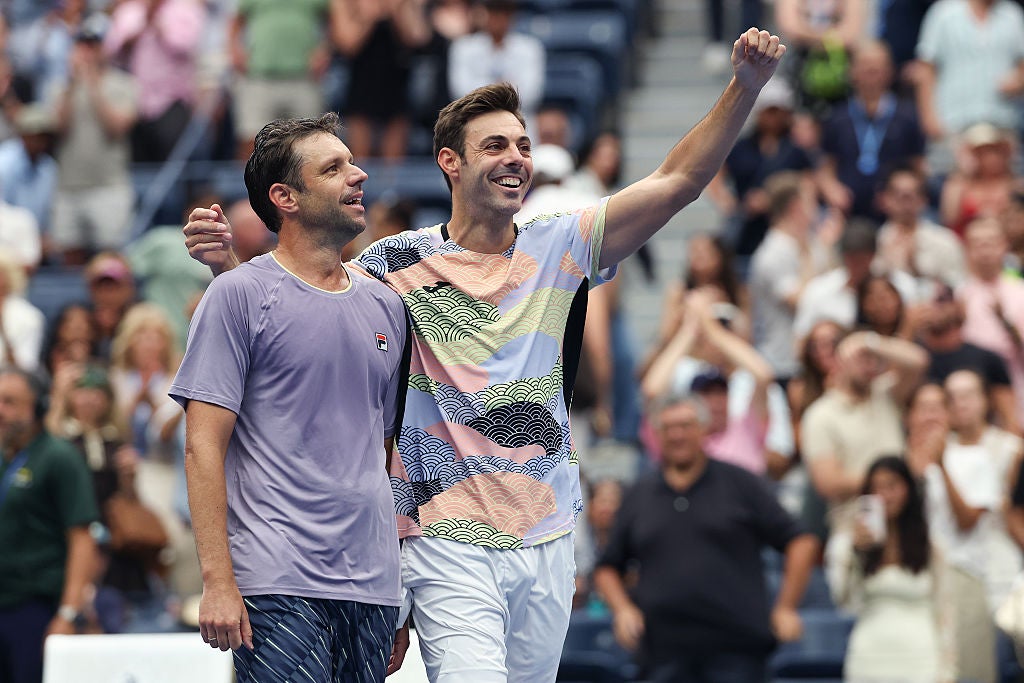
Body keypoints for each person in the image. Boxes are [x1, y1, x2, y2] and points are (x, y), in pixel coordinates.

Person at [184, 29, 788, 681]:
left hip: (549, 534)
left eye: (524, 146)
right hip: (446, 538)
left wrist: (744, 87)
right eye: (495, 144)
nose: (516, 158)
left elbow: (678, 180)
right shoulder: (393, 263)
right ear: (449, 161)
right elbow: (302, 298)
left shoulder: (565, 244)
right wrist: (229, 269)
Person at [170, 114, 409, 681]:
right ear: (285, 198)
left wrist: (402, 585)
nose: (359, 176)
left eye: (352, 163)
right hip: (277, 582)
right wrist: (218, 582)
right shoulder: (235, 296)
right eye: (334, 168)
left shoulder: (388, 307)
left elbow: (387, 454)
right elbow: (203, 447)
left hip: (373, 587)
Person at [594, 392, 819, 683]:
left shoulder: (741, 483)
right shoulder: (639, 494)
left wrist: (786, 607)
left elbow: (801, 541)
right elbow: (607, 566)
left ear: (704, 429)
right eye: (668, 427)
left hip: (737, 651)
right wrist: (622, 609)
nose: (677, 435)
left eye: (686, 425)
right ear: (656, 434)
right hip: (661, 653)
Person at [0, 368, 100, 683]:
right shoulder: (4, 458)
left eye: (10, 402)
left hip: (35, 607)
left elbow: (82, 538)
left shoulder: (59, 458)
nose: (0, 411)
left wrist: (67, 614)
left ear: (39, 406)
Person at [826, 456, 955, 683]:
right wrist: (855, 554)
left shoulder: (931, 546)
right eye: (876, 488)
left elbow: (945, 610)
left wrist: (948, 668)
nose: (884, 496)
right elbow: (843, 600)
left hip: (921, 656)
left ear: (908, 489)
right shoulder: (849, 544)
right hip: (869, 655)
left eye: (892, 486)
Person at [801, 329, 927, 534]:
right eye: (861, 358)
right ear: (837, 362)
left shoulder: (885, 394)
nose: (869, 365)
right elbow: (827, 482)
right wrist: (891, 480)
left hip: (905, 525)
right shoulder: (820, 414)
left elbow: (919, 361)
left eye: (873, 358)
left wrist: (870, 341)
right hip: (854, 527)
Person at [817, 40, 926, 222]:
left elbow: (917, 167)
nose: (871, 71)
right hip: (846, 212)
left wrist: (899, 195)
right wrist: (832, 190)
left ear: (890, 71)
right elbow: (826, 167)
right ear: (852, 71)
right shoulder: (837, 117)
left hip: (894, 213)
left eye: (878, 66)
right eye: (866, 65)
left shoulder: (908, 116)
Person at [960, 217, 1024, 427]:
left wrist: (1005, 322)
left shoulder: (1020, 291)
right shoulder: (960, 295)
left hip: (1016, 387)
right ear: (968, 250)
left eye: (990, 243)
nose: (985, 251)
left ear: (1004, 245)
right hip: (974, 391)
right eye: (977, 244)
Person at [874, 163, 965, 290]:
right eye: (899, 196)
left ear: (923, 200)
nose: (905, 204)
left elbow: (957, 286)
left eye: (910, 196)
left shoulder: (945, 240)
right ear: (885, 199)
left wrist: (916, 267)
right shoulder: (873, 242)